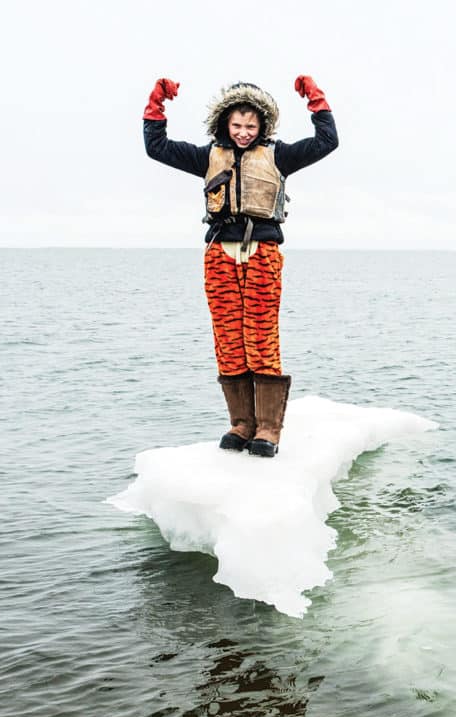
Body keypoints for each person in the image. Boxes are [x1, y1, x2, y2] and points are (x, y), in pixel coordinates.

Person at [143, 76, 338, 457]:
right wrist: (156, 104)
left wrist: (316, 100)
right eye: (237, 125)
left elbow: (326, 142)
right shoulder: (206, 157)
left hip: (262, 251)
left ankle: (268, 427)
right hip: (219, 254)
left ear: (263, 125)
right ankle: (242, 423)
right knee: (228, 340)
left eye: (251, 126)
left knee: (261, 337)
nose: (245, 133)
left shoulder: (279, 156)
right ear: (224, 125)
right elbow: (156, 147)